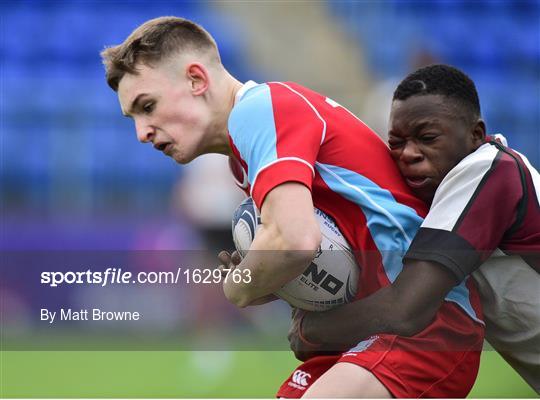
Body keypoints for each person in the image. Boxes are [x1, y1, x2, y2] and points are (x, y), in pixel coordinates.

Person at [101, 18, 484, 398]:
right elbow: (328, 249)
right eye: (133, 117)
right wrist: (272, 277)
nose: (141, 132)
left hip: (423, 326)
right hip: (374, 329)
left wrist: (239, 287)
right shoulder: (245, 155)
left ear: (197, 80)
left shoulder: (258, 111)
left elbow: (296, 239)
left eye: (147, 106)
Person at [288, 64, 540, 394]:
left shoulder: (490, 171)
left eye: (427, 138)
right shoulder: (432, 196)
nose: (408, 153)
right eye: (396, 142)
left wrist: (310, 332)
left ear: (476, 135)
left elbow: (405, 309)